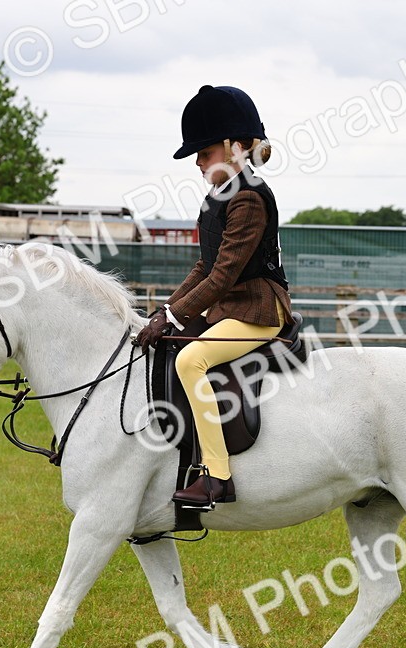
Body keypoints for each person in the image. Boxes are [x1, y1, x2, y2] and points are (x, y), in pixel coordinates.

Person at [136, 85, 292, 509]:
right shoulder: (219, 197)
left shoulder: (248, 198)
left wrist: (173, 316)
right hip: (232, 308)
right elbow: (204, 267)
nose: (199, 162)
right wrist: (166, 312)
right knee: (172, 345)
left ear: (235, 146)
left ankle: (218, 476)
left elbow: (224, 275)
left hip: (259, 312)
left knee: (191, 359)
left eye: (204, 152)